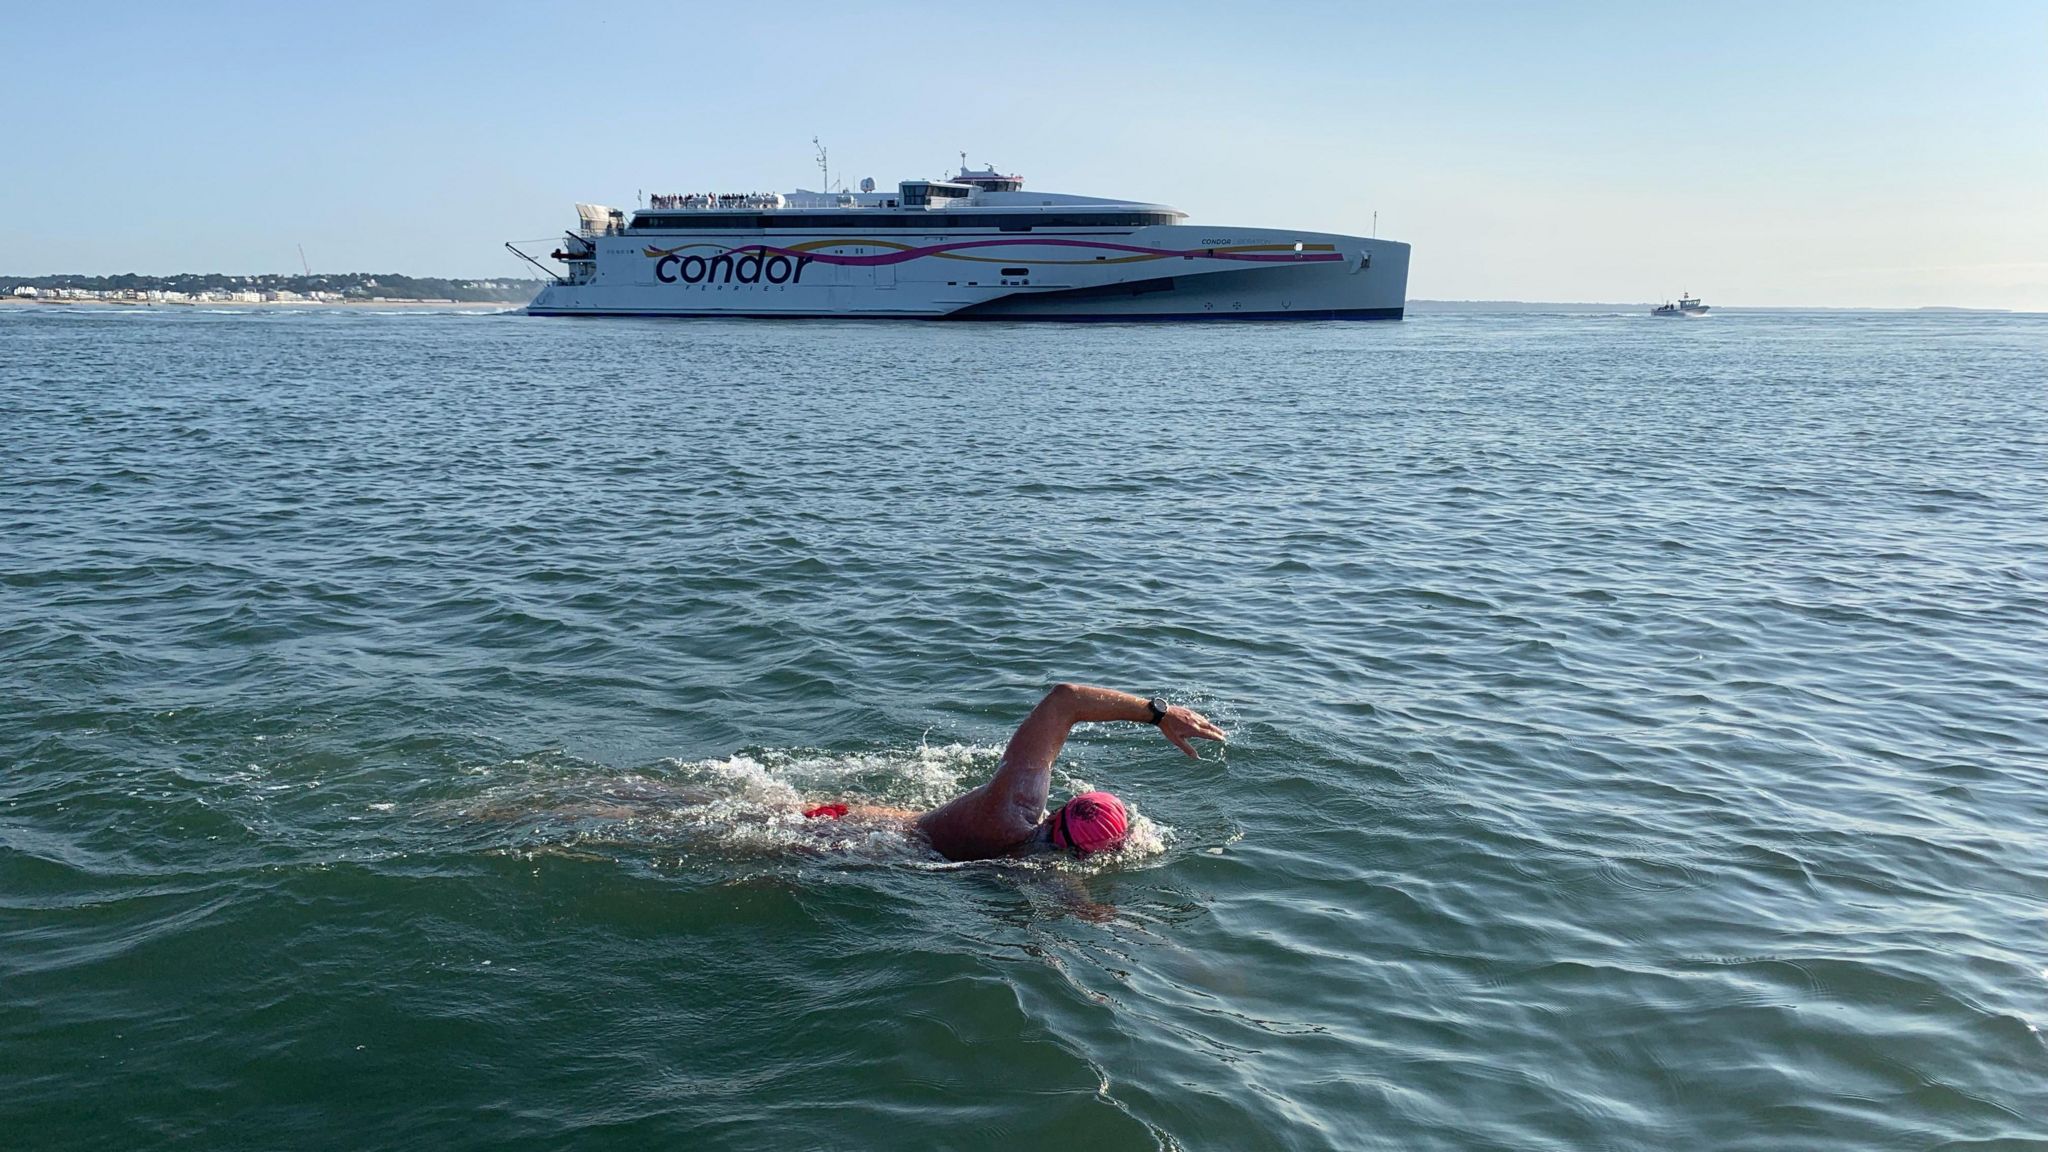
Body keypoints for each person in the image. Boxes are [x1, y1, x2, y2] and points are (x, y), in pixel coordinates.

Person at [808, 684, 1226, 862]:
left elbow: (1065, 701)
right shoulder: (1021, 837)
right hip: (847, 846)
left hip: (860, 825)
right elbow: (1063, 698)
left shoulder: (1020, 806)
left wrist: (1159, 715)